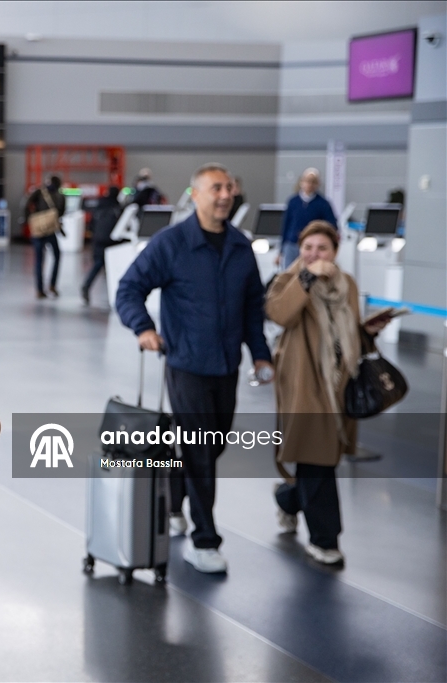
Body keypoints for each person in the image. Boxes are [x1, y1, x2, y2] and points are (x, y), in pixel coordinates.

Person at [115, 162, 273, 574]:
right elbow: (129, 288)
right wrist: (144, 328)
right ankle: (204, 540)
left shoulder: (240, 246)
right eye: (216, 188)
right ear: (196, 194)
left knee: (211, 446)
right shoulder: (172, 243)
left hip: (226, 366)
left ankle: (172, 501)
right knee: (201, 450)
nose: (225, 194)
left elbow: (252, 306)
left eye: (229, 187)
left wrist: (259, 353)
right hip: (185, 363)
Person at [265, 221, 387, 565]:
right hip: (303, 379)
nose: (314, 255)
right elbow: (279, 314)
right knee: (316, 456)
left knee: (321, 455)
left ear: (335, 253)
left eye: (322, 249)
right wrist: (307, 277)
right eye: (308, 248)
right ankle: (325, 538)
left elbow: (347, 333)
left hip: (338, 383)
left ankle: (288, 499)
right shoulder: (288, 280)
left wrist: (369, 331)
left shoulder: (345, 284)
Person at [280, 168, 336, 268]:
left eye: (313, 182)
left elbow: (331, 226)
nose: (309, 184)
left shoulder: (323, 204)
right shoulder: (293, 201)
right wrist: (281, 250)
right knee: (289, 273)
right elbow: (286, 225)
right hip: (292, 243)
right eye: (307, 181)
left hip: (312, 247)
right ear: (301, 182)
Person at [25, 175, 66, 299]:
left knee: (39, 260)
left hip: (38, 231)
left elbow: (27, 204)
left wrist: (30, 219)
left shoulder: (39, 191)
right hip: (50, 231)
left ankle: (39, 290)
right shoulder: (60, 196)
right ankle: (52, 285)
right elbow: (61, 212)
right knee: (57, 256)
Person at [80, 186, 122, 306]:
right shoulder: (117, 207)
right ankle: (114, 294)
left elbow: (92, 223)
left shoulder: (99, 204)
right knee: (112, 268)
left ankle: (86, 286)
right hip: (112, 241)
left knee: (97, 264)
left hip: (97, 240)